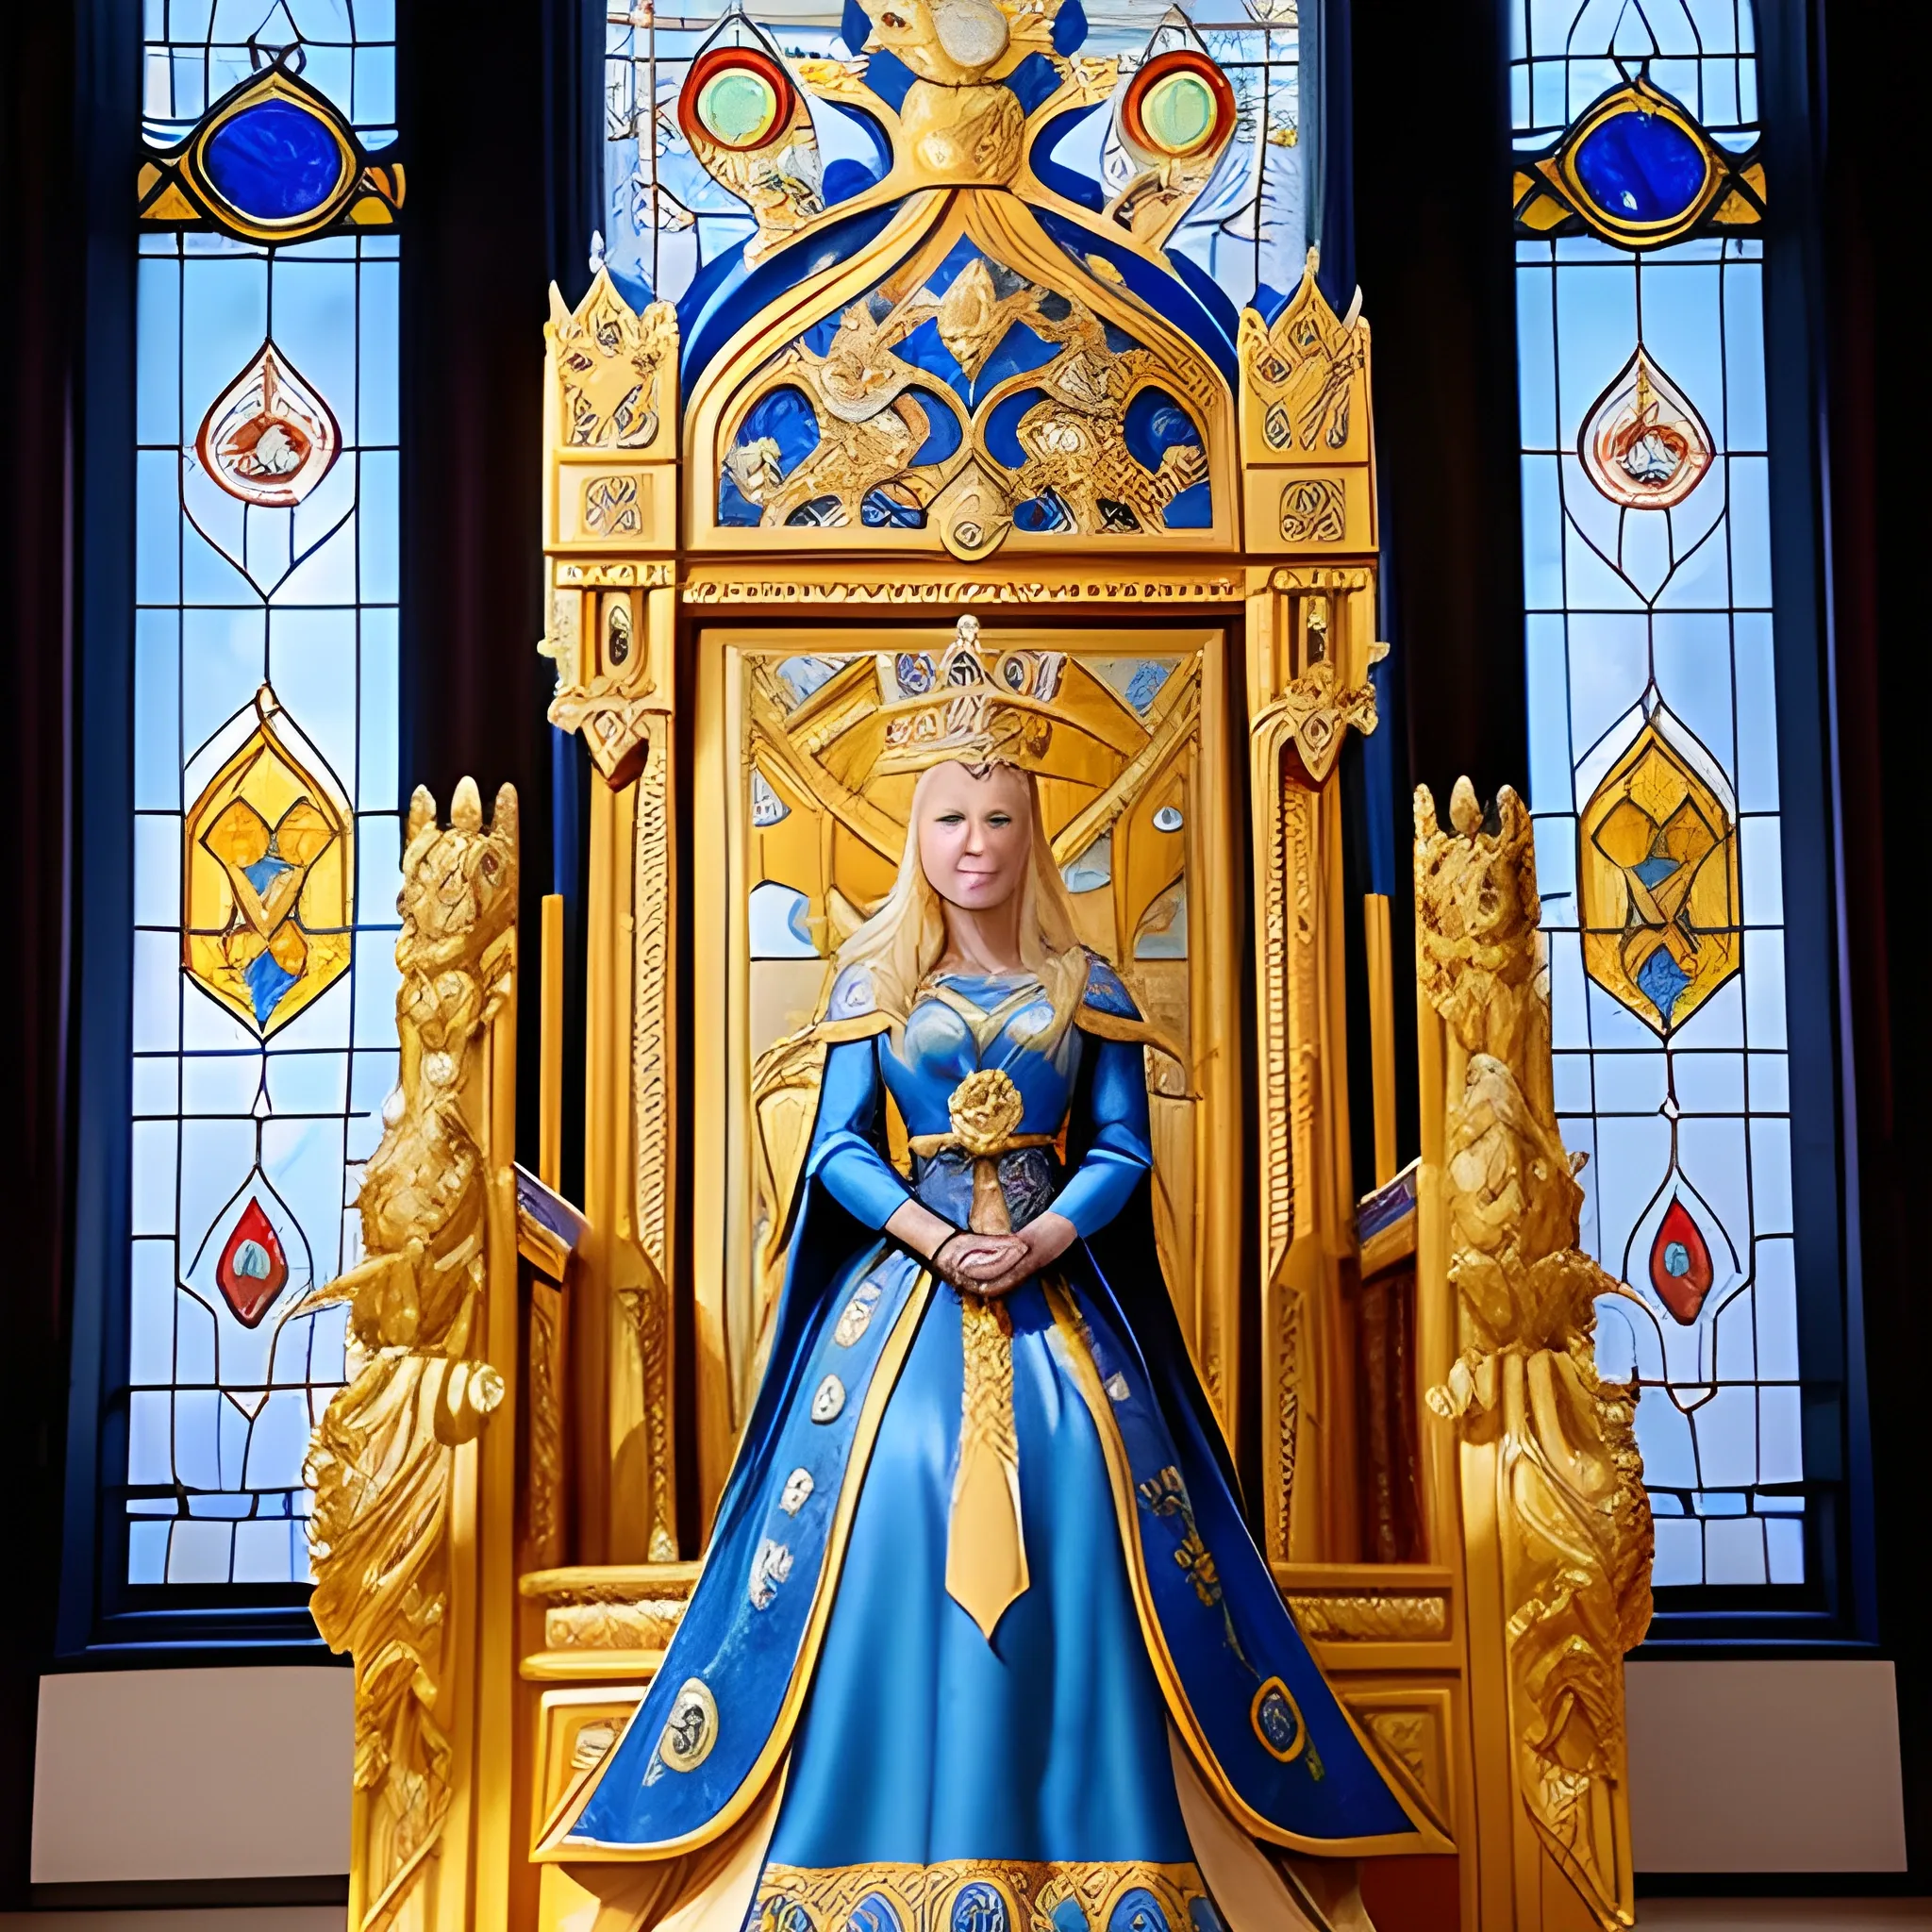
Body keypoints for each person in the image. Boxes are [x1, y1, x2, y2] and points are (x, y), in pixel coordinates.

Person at [544, 655, 1438, 1932]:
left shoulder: (1089, 992)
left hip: (1057, 1303)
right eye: (952, 819)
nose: (976, 845)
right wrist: (929, 1234)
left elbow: (1121, 1148)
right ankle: (866, 1858)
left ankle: (1095, 1860)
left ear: (1034, 834)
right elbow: (843, 1148)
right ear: (921, 835)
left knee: (1083, 1484)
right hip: (901, 1305)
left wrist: (1040, 1240)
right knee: (891, 1482)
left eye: (1000, 817)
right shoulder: (873, 984)